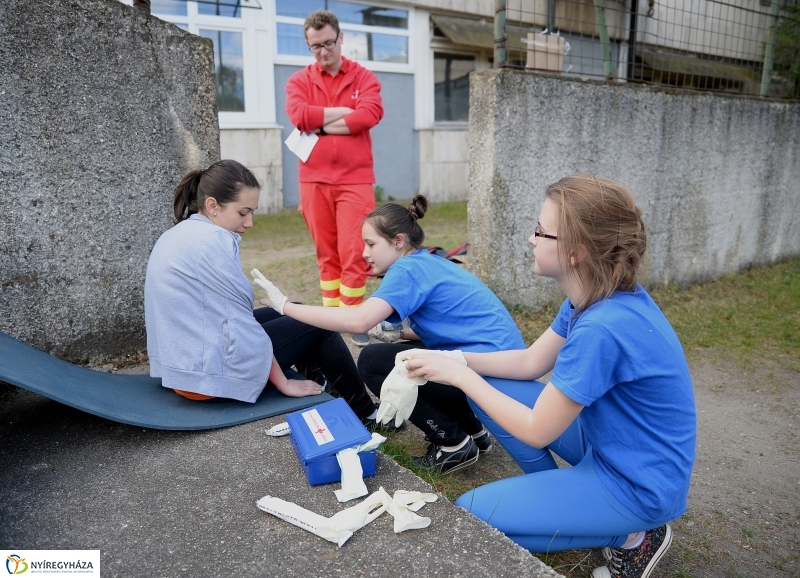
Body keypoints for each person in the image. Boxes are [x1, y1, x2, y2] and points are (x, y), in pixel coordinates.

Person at [402, 176, 697, 578]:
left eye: (541, 230)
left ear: (575, 252)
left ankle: (629, 536)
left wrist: (460, 376)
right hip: (615, 447)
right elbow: (528, 364)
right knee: (494, 384)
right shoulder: (592, 297)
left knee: (473, 516)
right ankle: (566, 501)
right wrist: (455, 358)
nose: (531, 238)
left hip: (638, 484)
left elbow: (538, 431)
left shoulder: (601, 328)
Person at [252, 195, 527, 473]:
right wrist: (402, 335)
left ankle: (452, 444)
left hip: (489, 377)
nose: (364, 253)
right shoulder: (429, 261)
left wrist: (287, 307)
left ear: (398, 242)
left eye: (371, 243)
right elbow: (452, 328)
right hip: (503, 373)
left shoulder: (406, 269)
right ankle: (474, 431)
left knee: (374, 362)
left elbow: (359, 321)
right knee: (405, 354)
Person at [144, 159, 377, 423]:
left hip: (183, 370)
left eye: (252, 212)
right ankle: (366, 412)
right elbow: (243, 327)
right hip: (207, 382)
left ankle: (321, 385)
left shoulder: (182, 231)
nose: (250, 222)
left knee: (298, 309)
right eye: (243, 212)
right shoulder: (214, 241)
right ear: (212, 205)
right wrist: (284, 383)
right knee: (318, 323)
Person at [284, 9, 384, 347]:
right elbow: (299, 116)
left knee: (355, 249)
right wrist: (343, 114)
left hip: (355, 178)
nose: (323, 52)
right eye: (315, 47)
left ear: (341, 38)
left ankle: (353, 315)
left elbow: (370, 115)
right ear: (308, 46)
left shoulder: (363, 77)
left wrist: (320, 124)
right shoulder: (299, 81)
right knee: (327, 252)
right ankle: (331, 317)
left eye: (328, 43)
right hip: (313, 179)